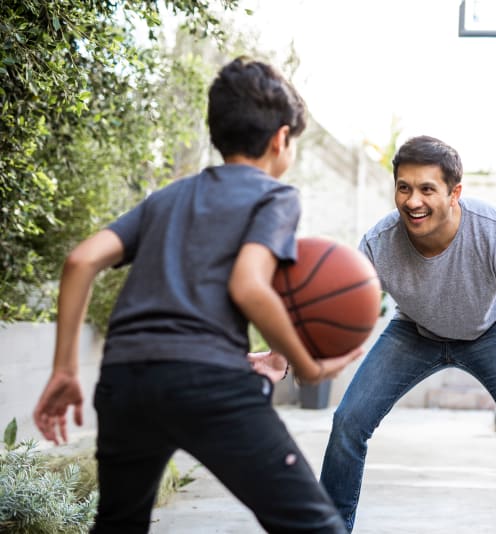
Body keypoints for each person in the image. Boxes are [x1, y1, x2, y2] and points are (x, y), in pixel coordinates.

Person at [32, 57, 361, 533]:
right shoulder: (276, 197)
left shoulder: (166, 197)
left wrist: (64, 369)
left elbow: (81, 261)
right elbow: (248, 285)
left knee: (119, 525)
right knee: (314, 527)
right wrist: (305, 366)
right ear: (280, 139)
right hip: (208, 383)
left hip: (125, 382)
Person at [319, 135, 496, 533]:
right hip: (415, 330)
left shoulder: (494, 230)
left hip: (491, 330)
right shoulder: (379, 243)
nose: (413, 201)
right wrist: (285, 352)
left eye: (427, 189)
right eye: (404, 187)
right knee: (349, 420)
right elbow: (334, 306)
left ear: (455, 193)